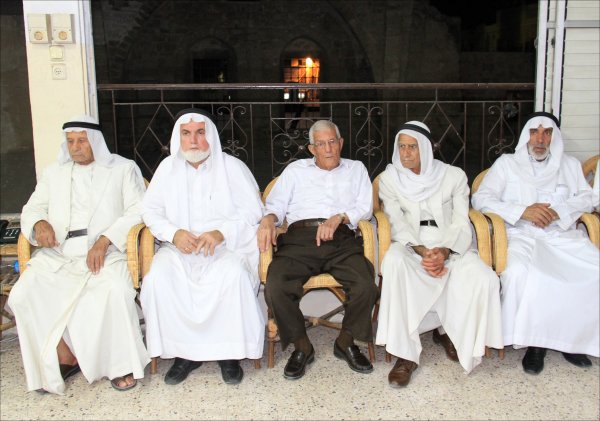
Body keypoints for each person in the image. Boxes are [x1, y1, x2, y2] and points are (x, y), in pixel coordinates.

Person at [8, 115, 149, 394]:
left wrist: (105, 240)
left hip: (106, 252)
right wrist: (39, 223)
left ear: (96, 141)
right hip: (59, 253)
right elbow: (32, 208)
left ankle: (120, 365)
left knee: (115, 289)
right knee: (22, 295)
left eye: (82, 141)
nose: (75, 147)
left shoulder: (122, 169)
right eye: (70, 141)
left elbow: (138, 210)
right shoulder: (53, 173)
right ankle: (64, 356)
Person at [140, 109, 264, 386]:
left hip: (225, 249)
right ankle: (184, 355)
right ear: (179, 138)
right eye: (186, 134)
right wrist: (174, 234)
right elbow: (150, 211)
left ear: (211, 137)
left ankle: (229, 355)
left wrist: (222, 233)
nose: (193, 140)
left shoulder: (232, 167)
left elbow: (253, 212)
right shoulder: (167, 169)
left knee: (233, 275)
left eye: (199, 133)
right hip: (178, 250)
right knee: (159, 277)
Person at [375, 121, 503, 388]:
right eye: (401, 147)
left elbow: (461, 220)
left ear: (425, 148)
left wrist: (444, 251)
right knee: (394, 262)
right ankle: (405, 355)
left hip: (451, 244)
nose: (405, 153)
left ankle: (454, 334)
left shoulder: (454, 176)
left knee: (485, 278)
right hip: (411, 245)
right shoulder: (389, 179)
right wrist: (422, 251)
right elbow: (395, 221)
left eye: (412, 147)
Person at [472, 111, 599, 374]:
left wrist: (559, 211)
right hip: (521, 235)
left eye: (547, 133)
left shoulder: (569, 165)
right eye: (534, 132)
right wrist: (522, 211)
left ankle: (572, 341)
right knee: (525, 273)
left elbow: (587, 198)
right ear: (526, 135)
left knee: (593, 270)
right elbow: (481, 198)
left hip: (562, 236)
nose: (540, 139)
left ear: (555, 137)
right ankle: (535, 344)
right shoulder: (507, 163)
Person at [258, 120, 378, 380]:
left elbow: (365, 207)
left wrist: (340, 217)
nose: (328, 149)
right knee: (276, 285)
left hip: (341, 238)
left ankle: (346, 341)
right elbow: (276, 205)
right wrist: (268, 219)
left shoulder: (356, 169)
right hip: (300, 240)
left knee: (366, 285)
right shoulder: (295, 170)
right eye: (321, 144)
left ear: (341, 143)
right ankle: (302, 346)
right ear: (312, 148)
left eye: (332, 142)